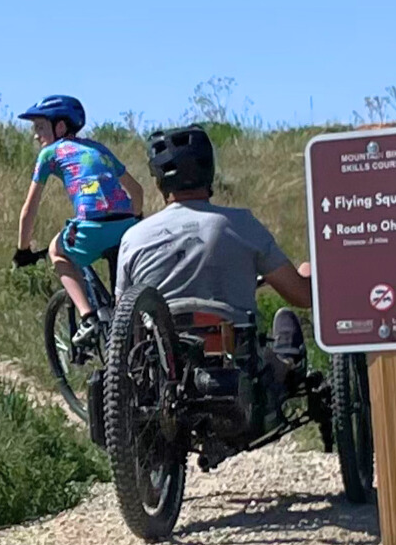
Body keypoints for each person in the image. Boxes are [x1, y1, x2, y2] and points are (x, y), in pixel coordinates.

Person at [115, 124, 316, 367]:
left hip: (161, 369)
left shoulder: (134, 237)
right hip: (236, 361)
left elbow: (123, 320)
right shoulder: (242, 224)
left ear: (159, 182)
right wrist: (307, 272)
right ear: (209, 172)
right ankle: (287, 360)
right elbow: (302, 296)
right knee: (280, 363)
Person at [8, 94, 139, 336]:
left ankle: (88, 318)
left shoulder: (49, 153)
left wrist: (23, 250)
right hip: (126, 224)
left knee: (57, 251)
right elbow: (137, 191)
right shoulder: (99, 148)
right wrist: (137, 219)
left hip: (91, 226)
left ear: (60, 126)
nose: (35, 135)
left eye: (40, 127)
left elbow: (29, 210)